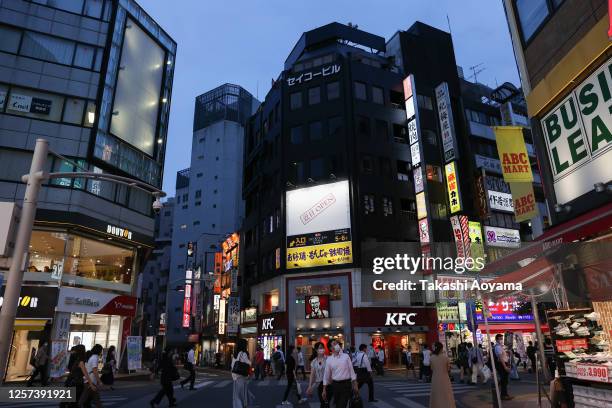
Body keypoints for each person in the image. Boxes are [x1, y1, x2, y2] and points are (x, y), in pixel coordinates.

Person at [322, 340, 358, 408]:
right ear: (330, 348)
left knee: (342, 405)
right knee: (338, 404)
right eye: (334, 344)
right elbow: (326, 376)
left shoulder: (346, 356)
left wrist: (355, 384)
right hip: (335, 385)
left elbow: (352, 371)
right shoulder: (329, 360)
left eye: (337, 343)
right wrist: (324, 390)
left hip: (346, 385)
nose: (337, 345)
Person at [429, 342, 456, 408]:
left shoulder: (431, 357)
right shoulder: (445, 357)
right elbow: (448, 368)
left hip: (435, 378)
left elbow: (432, 368)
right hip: (444, 378)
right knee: (446, 393)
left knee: (436, 393)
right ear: (441, 348)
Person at [307, 342, 329, 408]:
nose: (322, 349)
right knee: (323, 403)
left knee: (327, 403)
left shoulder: (328, 359)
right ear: (316, 350)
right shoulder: (314, 361)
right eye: (320, 348)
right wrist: (310, 386)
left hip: (328, 384)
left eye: (322, 348)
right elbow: (312, 375)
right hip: (319, 385)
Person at [231, 338, 251, 408]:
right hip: (241, 376)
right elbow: (248, 363)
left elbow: (232, 365)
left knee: (236, 395)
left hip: (235, 376)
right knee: (241, 395)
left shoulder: (235, 353)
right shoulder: (243, 353)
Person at [494, 334, 513, 400]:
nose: (501, 340)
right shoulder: (497, 347)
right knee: (504, 380)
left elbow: (504, 355)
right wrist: (505, 366)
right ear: (496, 339)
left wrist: (508, 352)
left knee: (505, 380)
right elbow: (500, 358)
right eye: (500, 339)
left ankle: (505, 394)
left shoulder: (501, 346)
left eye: (502, 338)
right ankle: (503, 395)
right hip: (501, 364)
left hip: (504, 363)